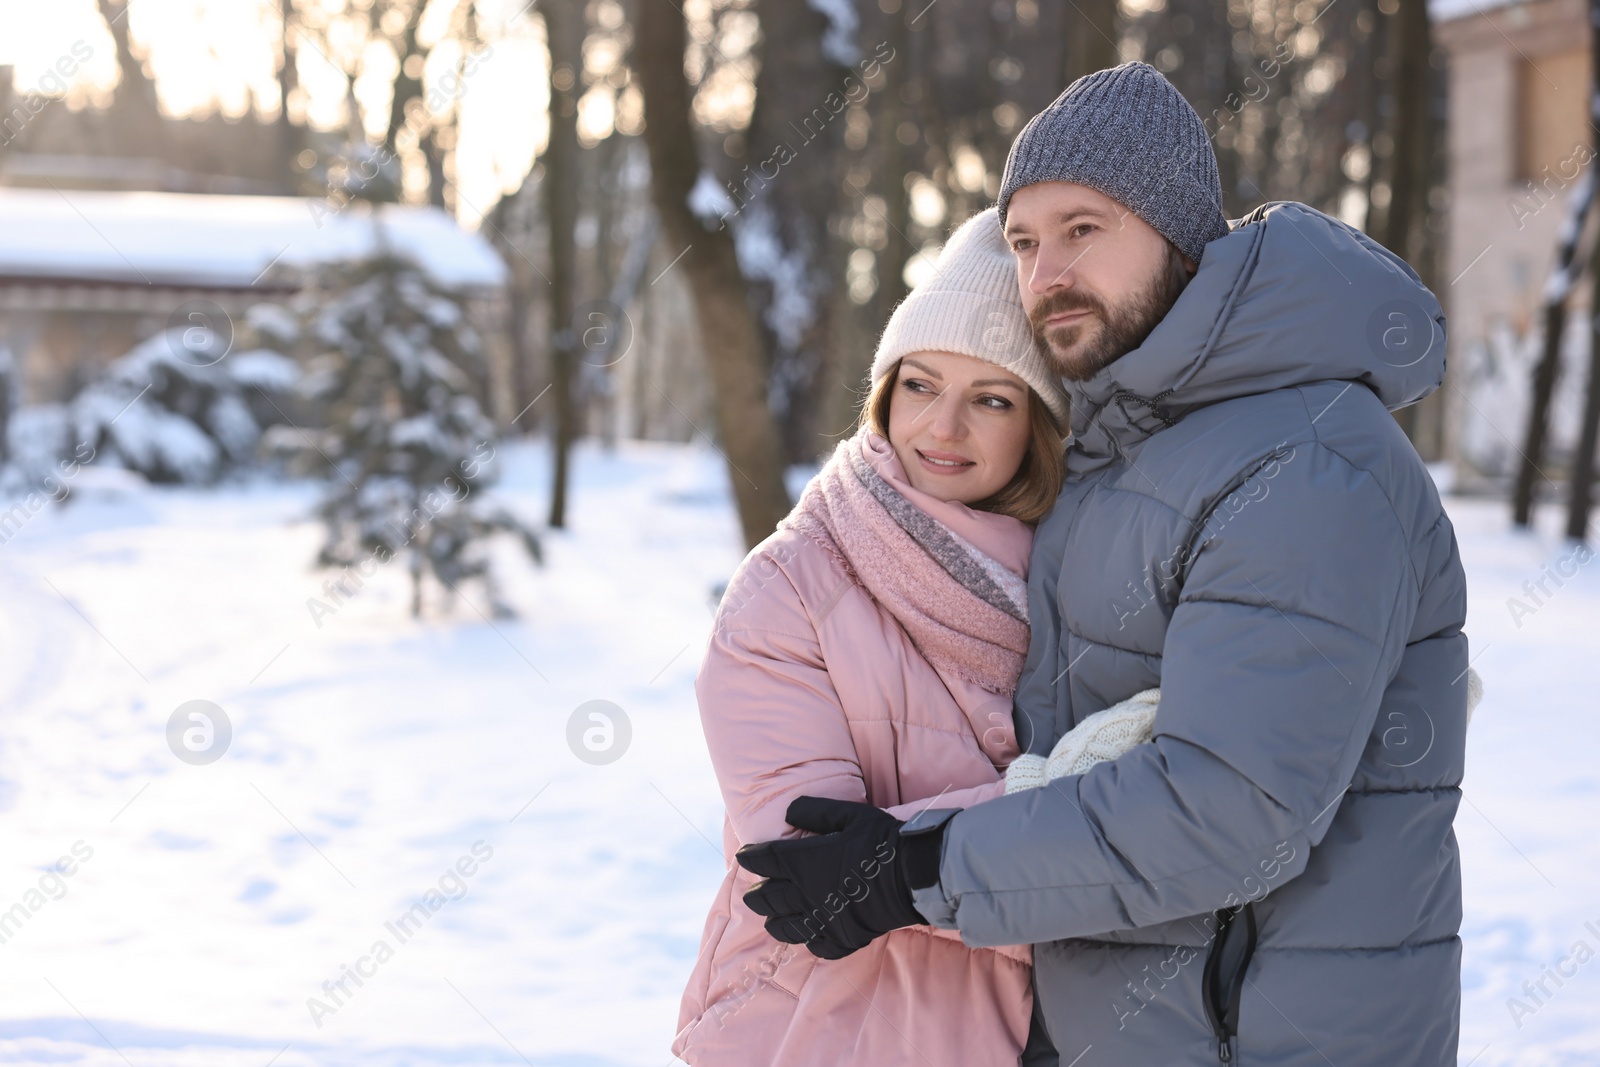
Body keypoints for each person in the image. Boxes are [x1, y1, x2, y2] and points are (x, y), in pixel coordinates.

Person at [735, 61, 1470, 1067]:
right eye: (1025, 242)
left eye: (1085, 230)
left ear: (1179, 235)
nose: (1046, 276)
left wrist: (917, 870)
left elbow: (1229, 810)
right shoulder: (1117, 444)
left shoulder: (1305, 457)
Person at [671, 208, 1070, 1065]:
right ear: (885, 388)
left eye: (991, 398)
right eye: (920, 383)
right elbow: (808, 876)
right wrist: (1048, 825)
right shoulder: (790, 585)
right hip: (812, 1027)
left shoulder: (1087, 587)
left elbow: (1138, 860)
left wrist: (936, 859)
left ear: (1038, 424)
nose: (942, 426)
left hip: (1018, 1036)